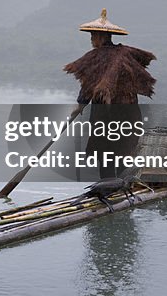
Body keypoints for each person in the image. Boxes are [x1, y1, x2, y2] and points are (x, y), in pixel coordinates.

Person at [64, 9, 155, 178]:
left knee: (105, 152)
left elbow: (88, 87)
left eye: (93, 36)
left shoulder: (96, 57)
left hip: (105, 114)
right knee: (122, 150)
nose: (91, 40)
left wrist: (79, 106)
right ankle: (121, 187)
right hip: (129, 113)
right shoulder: (127, 53)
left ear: (100, 37)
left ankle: (108, 187)